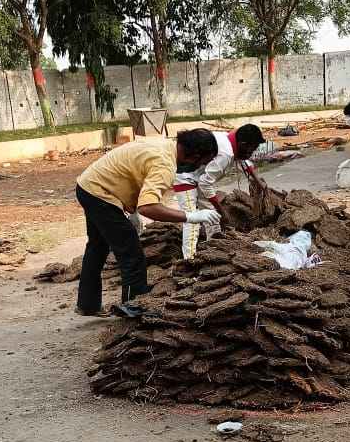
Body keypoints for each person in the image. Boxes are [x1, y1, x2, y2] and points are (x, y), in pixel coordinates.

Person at [75, 129, 220, 317]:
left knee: (97, 247)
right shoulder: (165, 165)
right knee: (132, 254)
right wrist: (191, 216)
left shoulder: (165, 145)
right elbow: (148, 207)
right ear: (194, 155)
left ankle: (88, 304)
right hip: (101, 194)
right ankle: (134, 308)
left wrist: (130, 207)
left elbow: (136, 178)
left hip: (88, 186)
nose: (199, 168)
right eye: (201, 163)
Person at [173, 123, 267, 259]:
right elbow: (205, 183)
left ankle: (213, 248)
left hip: (200, 177)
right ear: (243, 143)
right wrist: (221, 210)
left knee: (211, 217)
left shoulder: (229, 138)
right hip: (186, 178)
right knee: (192, 219)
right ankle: (189, 260)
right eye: (251, 149)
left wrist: (257, 180)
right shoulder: (226, 155)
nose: (251, 153)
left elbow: (244, 160)